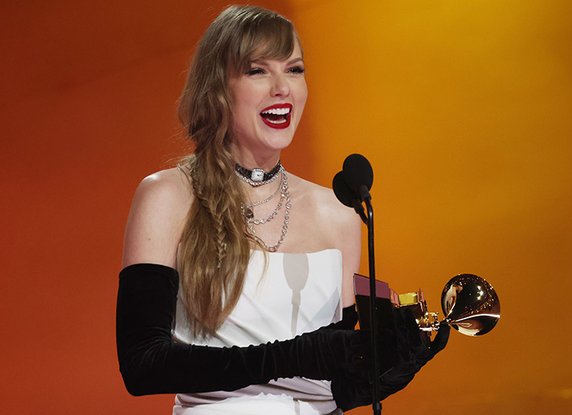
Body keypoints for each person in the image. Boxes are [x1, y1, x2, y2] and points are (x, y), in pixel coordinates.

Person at [115, 5, 449, 415]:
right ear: (217, 88)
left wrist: (387, 370)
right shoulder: (168, 196)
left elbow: (329, 381)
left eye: (294, 70)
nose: (282, 88)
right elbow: (142, 366)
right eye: (258, 71)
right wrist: (298, 355)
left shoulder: (340, 211)